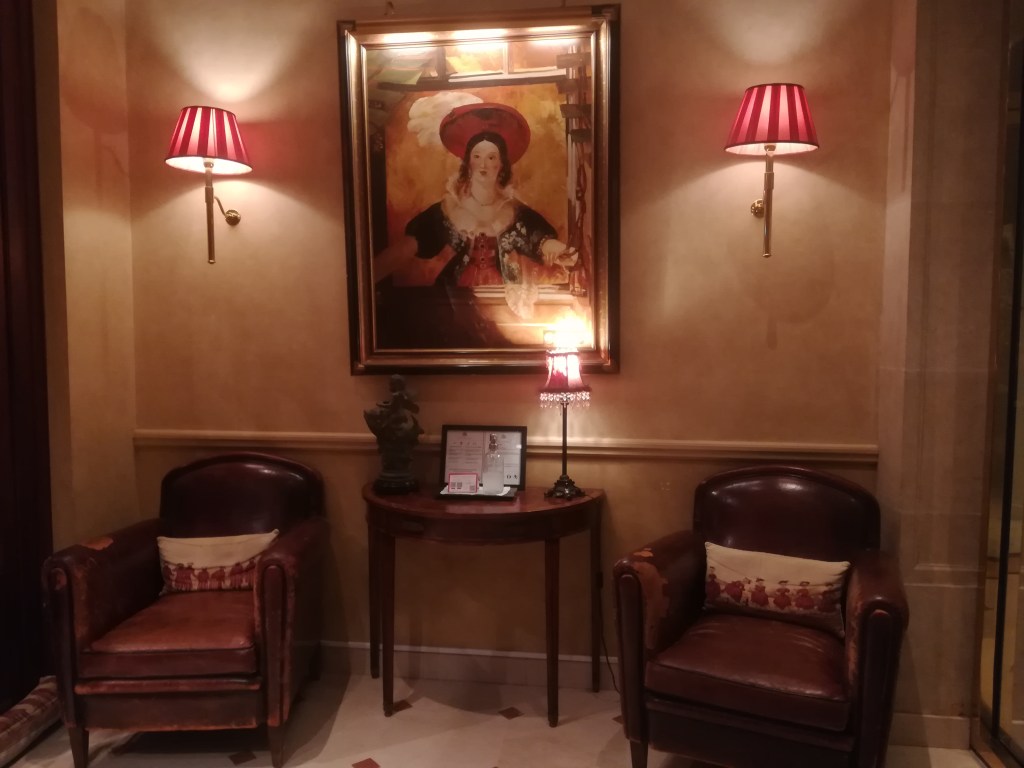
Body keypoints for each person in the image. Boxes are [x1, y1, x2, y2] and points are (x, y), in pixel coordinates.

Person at [374, 102, 578, 325]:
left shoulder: (513, 211)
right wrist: (370, 275)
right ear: (468, 163)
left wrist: (559, 252)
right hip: (457, 298)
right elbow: (411, 245)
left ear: (501, 165)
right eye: (477, 156)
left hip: (502, 301)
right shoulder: (449, 209)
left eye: (491, 157)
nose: (483, 165)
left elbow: (538, 238)